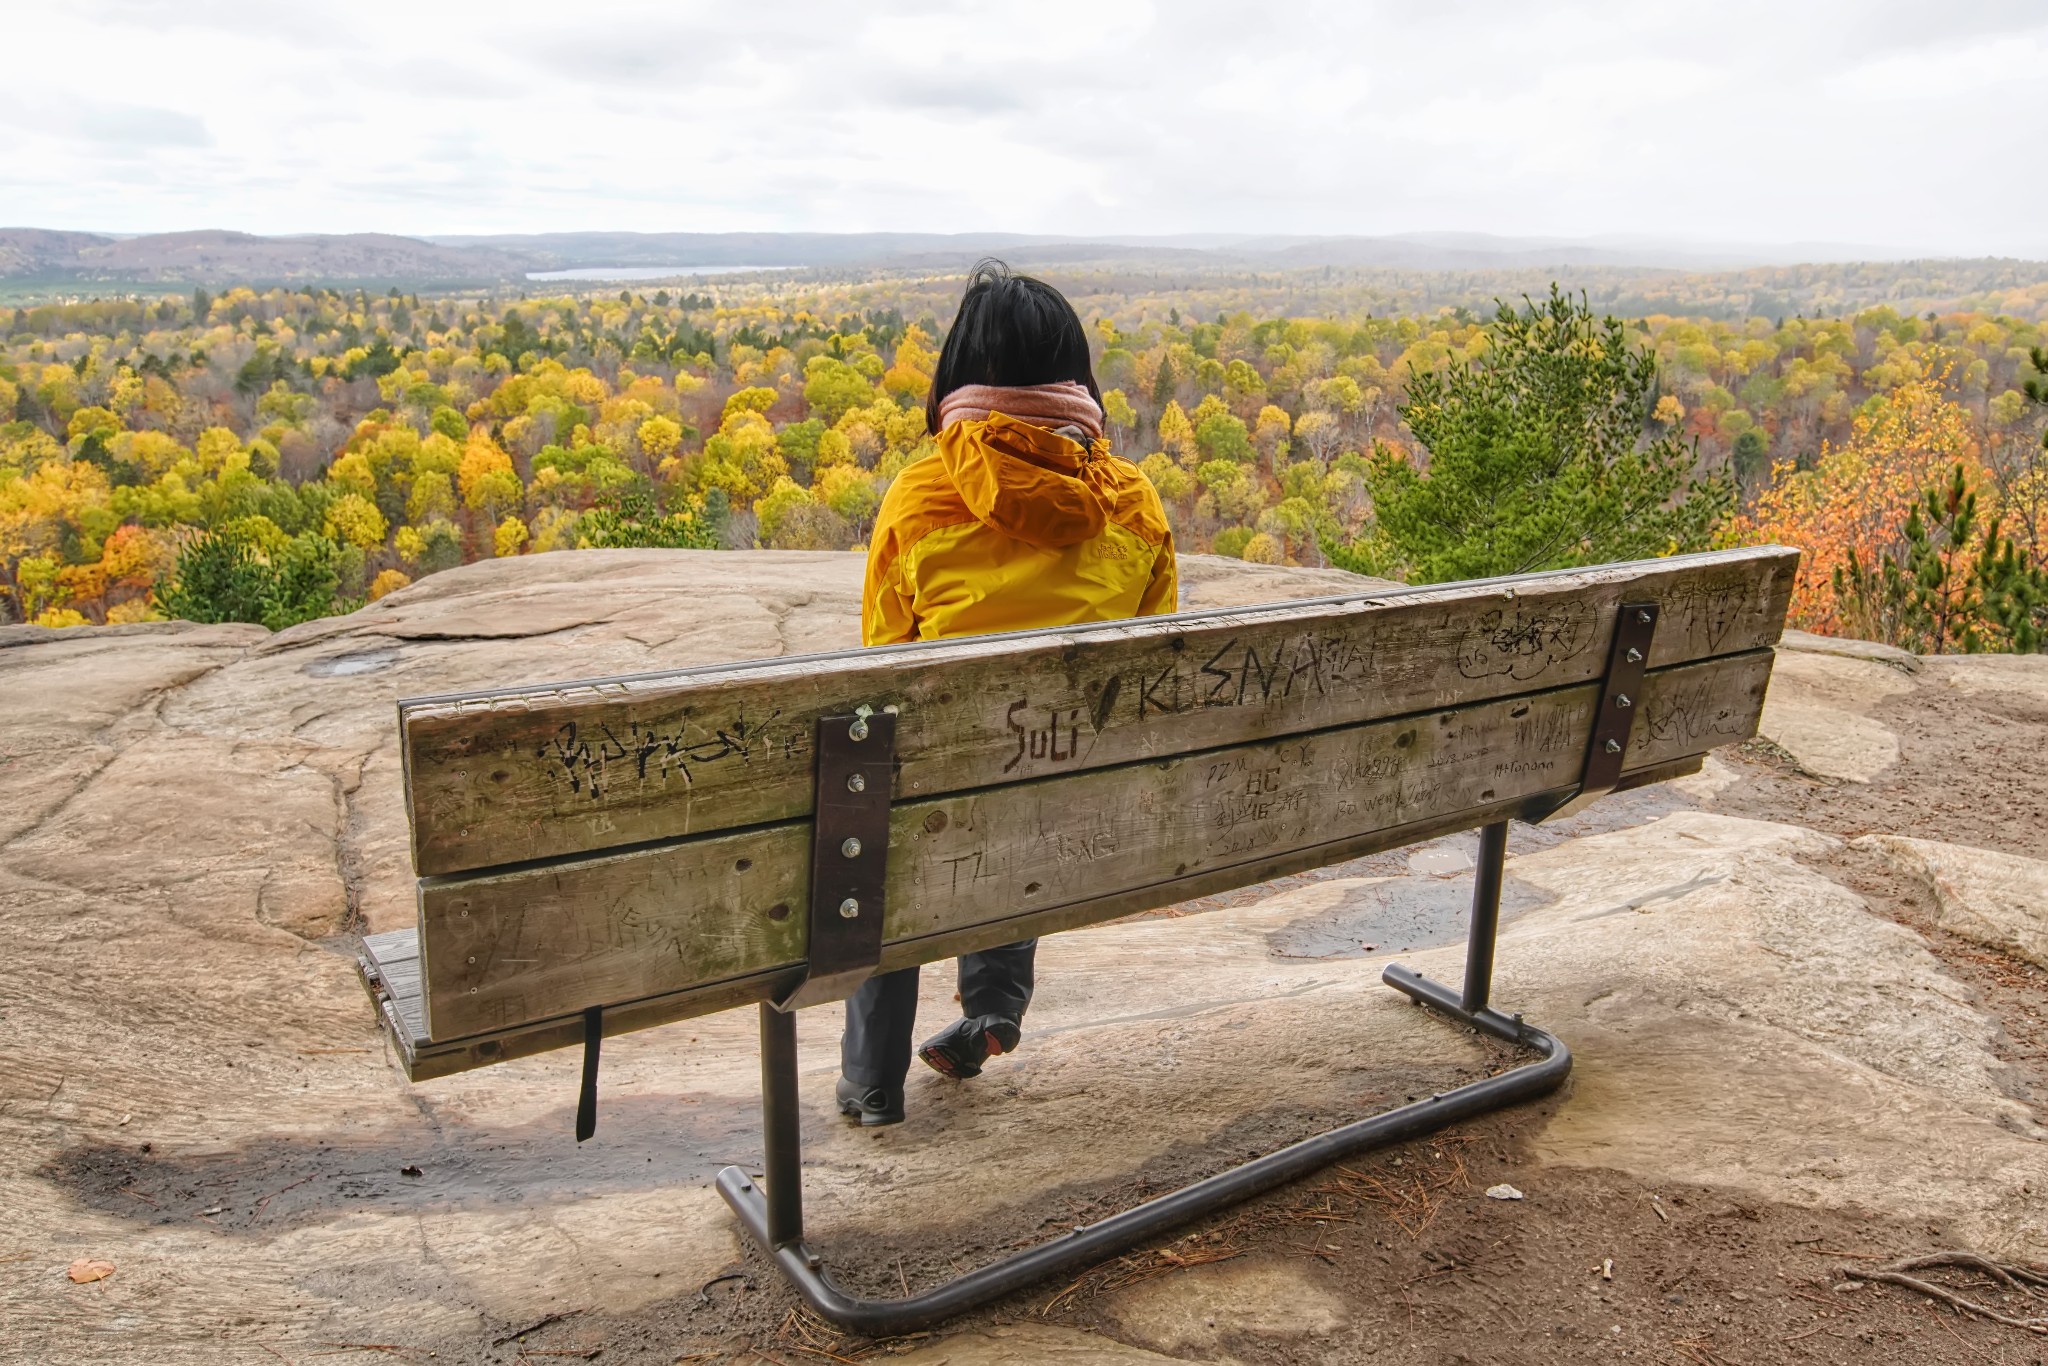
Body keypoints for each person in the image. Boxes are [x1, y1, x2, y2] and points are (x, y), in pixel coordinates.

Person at [837, 260, 1178, 1126]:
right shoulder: (1133, 503)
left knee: (879, 825)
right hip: (1064, 796)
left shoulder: (919, 496)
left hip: (939, 799)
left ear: (959, 374)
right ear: (1075, 377)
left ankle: (869, 1081)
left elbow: (886, 661)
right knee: (1030, 770)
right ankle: (994, 1006)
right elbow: (1153, 654)